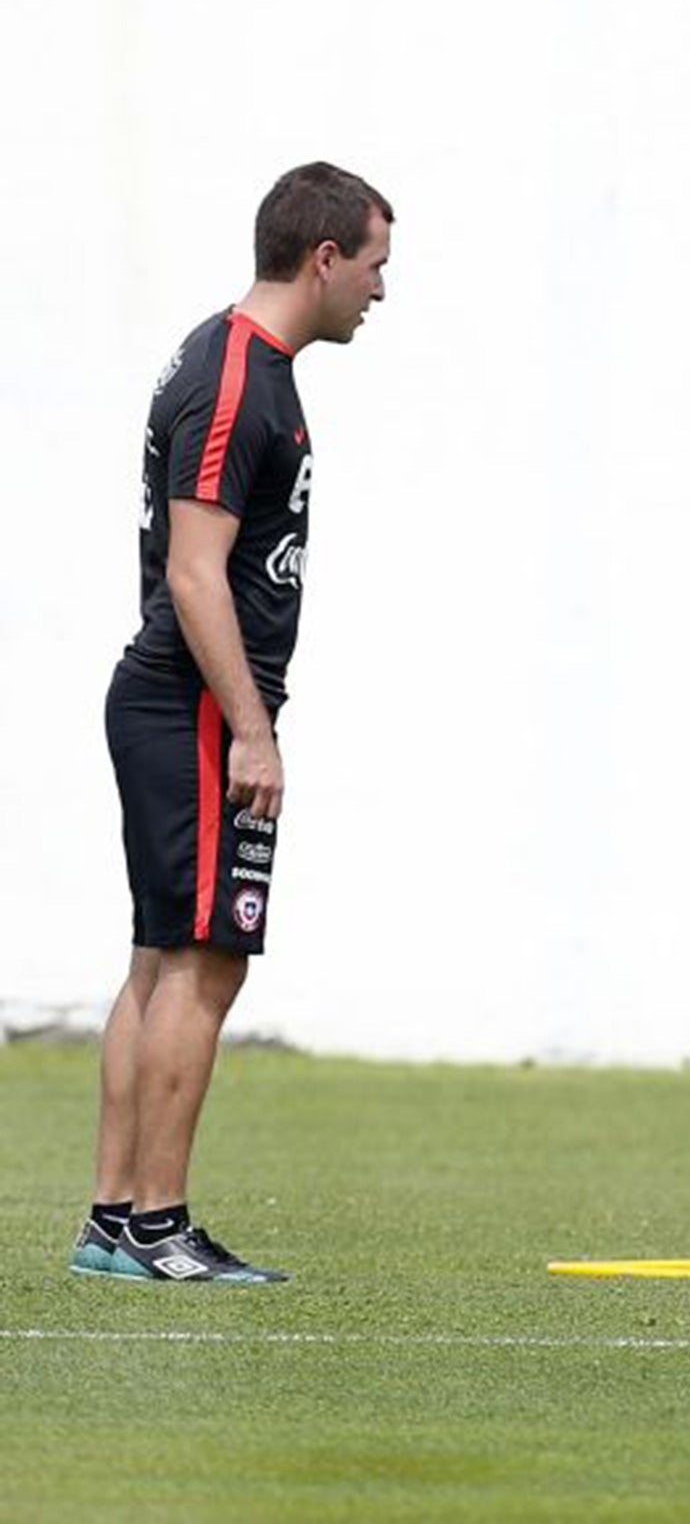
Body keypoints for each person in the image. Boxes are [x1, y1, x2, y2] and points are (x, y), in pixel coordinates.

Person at [71, 162, 393, 1283]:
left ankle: (115, 1224)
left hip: (183, 706)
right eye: (374, 265)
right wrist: (251, 730)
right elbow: (196, 572)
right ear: (323, 259)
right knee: (203, 966)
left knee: (164, 962)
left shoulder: (247, 365)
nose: (380, 291)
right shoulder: (235, 377)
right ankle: (157, 1227)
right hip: (196, 708)